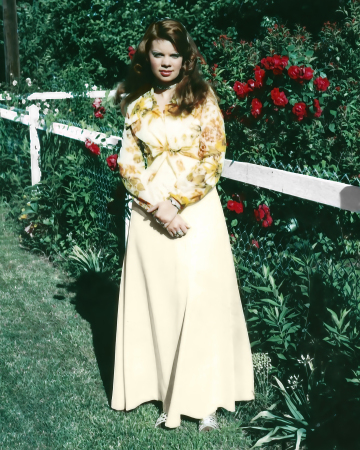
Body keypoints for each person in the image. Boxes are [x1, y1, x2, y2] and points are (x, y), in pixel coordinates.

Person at [111, 18, 254, 432]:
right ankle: (163, 390)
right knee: (161, 301)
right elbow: (128, 162)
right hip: (149, 213)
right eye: (159, 54)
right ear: (148, 56)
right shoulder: (136, 105)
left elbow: (213, 157)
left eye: (174, 55)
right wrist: (156, 207)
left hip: (195, 209)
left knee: (201, 298)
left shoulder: (202, 97)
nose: (166, 62)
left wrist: (176, 203)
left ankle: (204, 399)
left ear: (185, 57)